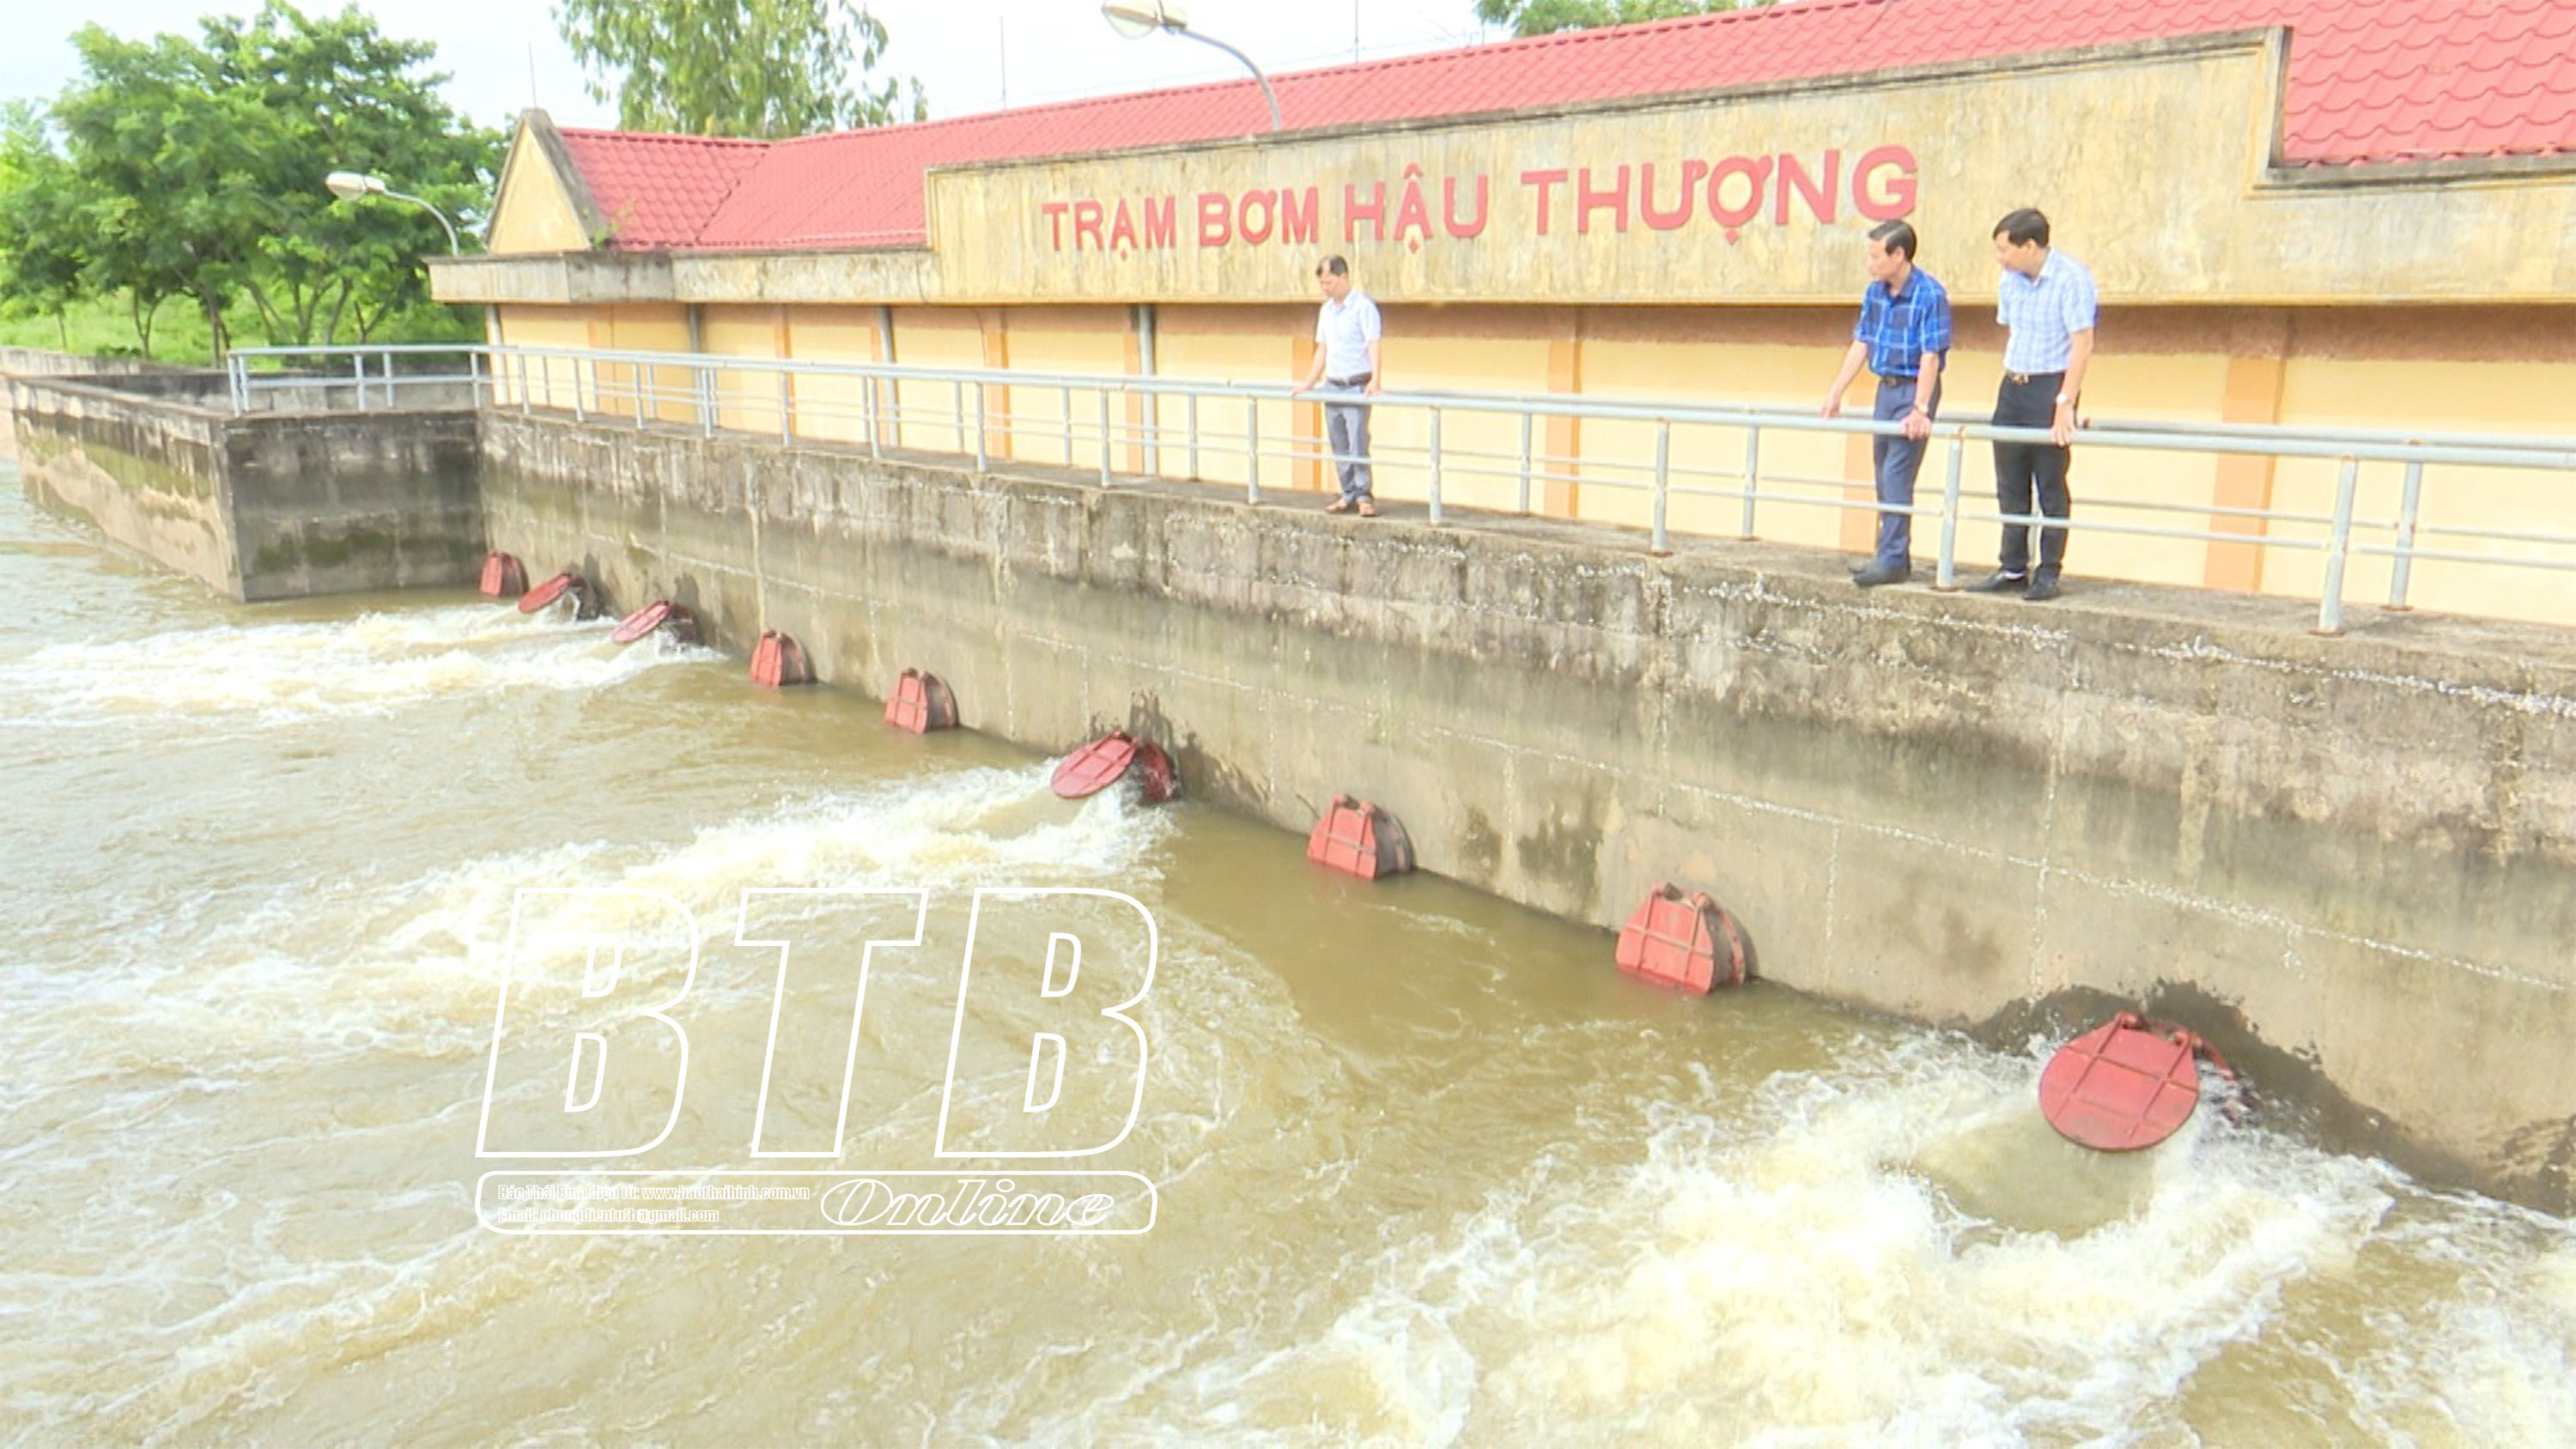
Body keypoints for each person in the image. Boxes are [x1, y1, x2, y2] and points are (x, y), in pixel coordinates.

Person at [1970, 207, 2097, 602]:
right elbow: (2014, 329)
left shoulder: (2071, 279)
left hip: (2051, 386)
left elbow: (2082, 344)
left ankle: (2049, 571)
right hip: (2014, 384)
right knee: (2010, 481)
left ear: (2029, 246)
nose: (2000, 258)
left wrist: (2065, 402)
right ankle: (2012, 567)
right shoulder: (2010, 280)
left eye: (2005, 249)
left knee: (2050, 483)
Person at [1821, 219, 1950, 588]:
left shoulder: (1929, 294)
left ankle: (1892, 558)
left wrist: (1920, 408)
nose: (1870, 264)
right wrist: (1836, 391)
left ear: (1899, 255)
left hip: (1914, 388)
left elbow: (1931, 356)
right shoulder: (1875, 293)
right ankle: (1892, 553)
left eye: (1876, 256)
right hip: (1886, 386)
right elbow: (1862, 342)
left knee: (1897, 472)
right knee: (1882, 469)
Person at [1291, 255, 1382, 517]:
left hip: (1356, 384)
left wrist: (1376, 380)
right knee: (1339, 443)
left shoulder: (1363, 307)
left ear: (1344, 277)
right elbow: (1323, 349)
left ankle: (1364, 496)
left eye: (1330, 282)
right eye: (1323, 283)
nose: (1326, 288)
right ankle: (1347, 493)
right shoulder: (1326, 311)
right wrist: (1309, 382)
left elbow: (1373, 343)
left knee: (1358, 443)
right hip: (1332, 384)